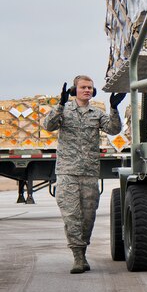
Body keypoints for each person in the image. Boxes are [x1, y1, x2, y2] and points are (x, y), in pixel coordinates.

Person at [42, 75, 125, 274]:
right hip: (68, 172)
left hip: (89, 173)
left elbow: (114, 129)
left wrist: (113, 108)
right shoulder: (64, 111)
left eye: (90, 88)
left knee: (88, 217)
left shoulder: (96, 113)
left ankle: (83, 250)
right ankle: (78, 257)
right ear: (74, 90)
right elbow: (48, 125)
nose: (87, 90)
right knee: (72, 216)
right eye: (83, 87)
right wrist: (60, 105)